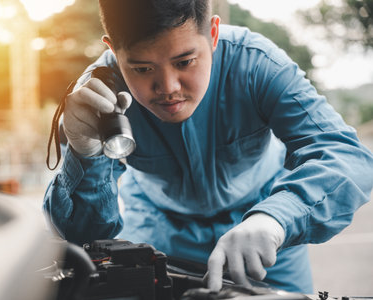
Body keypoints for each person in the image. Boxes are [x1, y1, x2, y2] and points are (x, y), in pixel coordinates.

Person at [43, 0, 373, 294]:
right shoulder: (95, 95)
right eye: (142, 69)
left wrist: (275, 219)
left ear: (213, 34)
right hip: (158, 244)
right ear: (113, 49)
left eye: (185, 61)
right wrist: (84, 154)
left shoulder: (258, 65)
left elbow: (346, 156)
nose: (168, 88)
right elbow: (82, 236)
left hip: (264, 241)